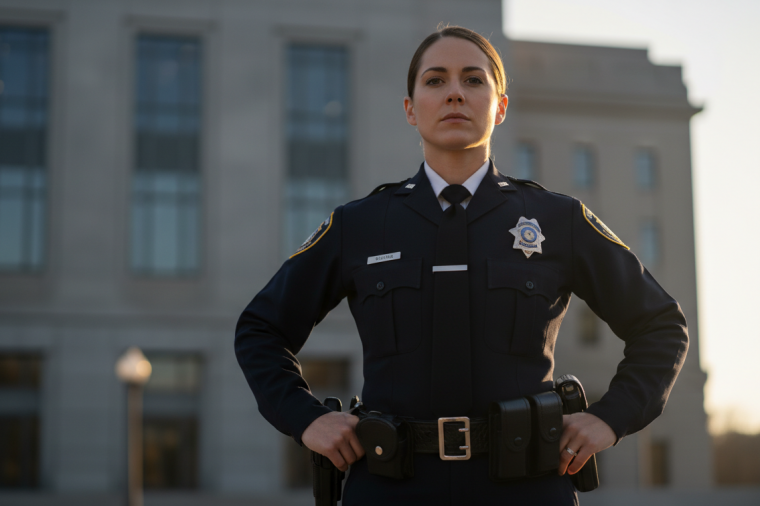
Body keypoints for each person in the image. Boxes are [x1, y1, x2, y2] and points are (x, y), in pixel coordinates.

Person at [234, 25, 688, 505]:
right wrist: (305, 417)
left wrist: (610, 417)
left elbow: (661, 326)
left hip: (525, 489)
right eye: (435, 81)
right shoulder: (358, 226)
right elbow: (261, 329)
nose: (454, 93)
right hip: (390, 490)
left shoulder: (559, 220)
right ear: (410, 110)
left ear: (501, 106)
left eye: (473, 80)